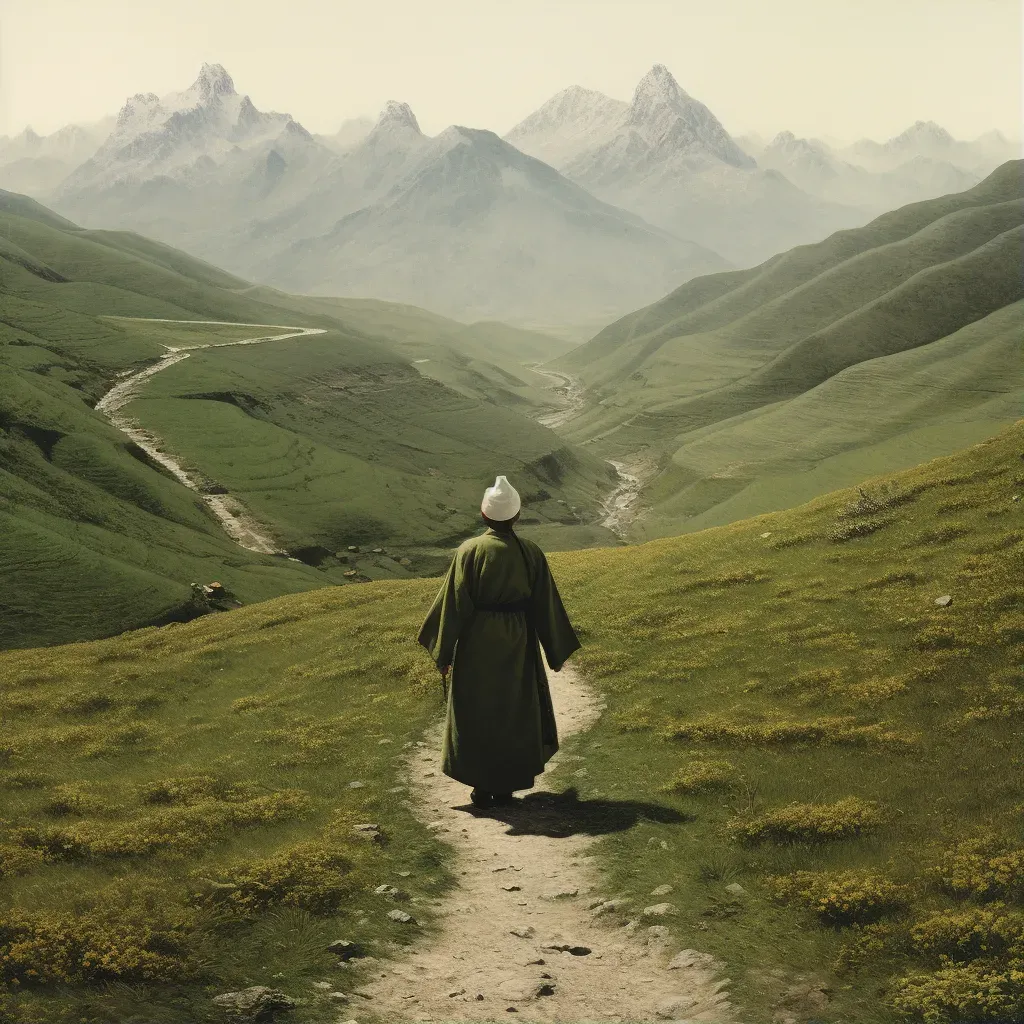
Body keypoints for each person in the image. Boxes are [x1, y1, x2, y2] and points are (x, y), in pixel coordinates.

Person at [417, 475, 581, 809]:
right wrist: (555, 651)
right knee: (514, 710)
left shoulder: (469, 551)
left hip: (478, 641)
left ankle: (481, 785)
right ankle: (506, 784)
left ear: (484, 515)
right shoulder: (530, 552)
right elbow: (545, 603)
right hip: (518, 641)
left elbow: (454, 604)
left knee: (477, 710)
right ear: (516, 516)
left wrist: (443, 651)